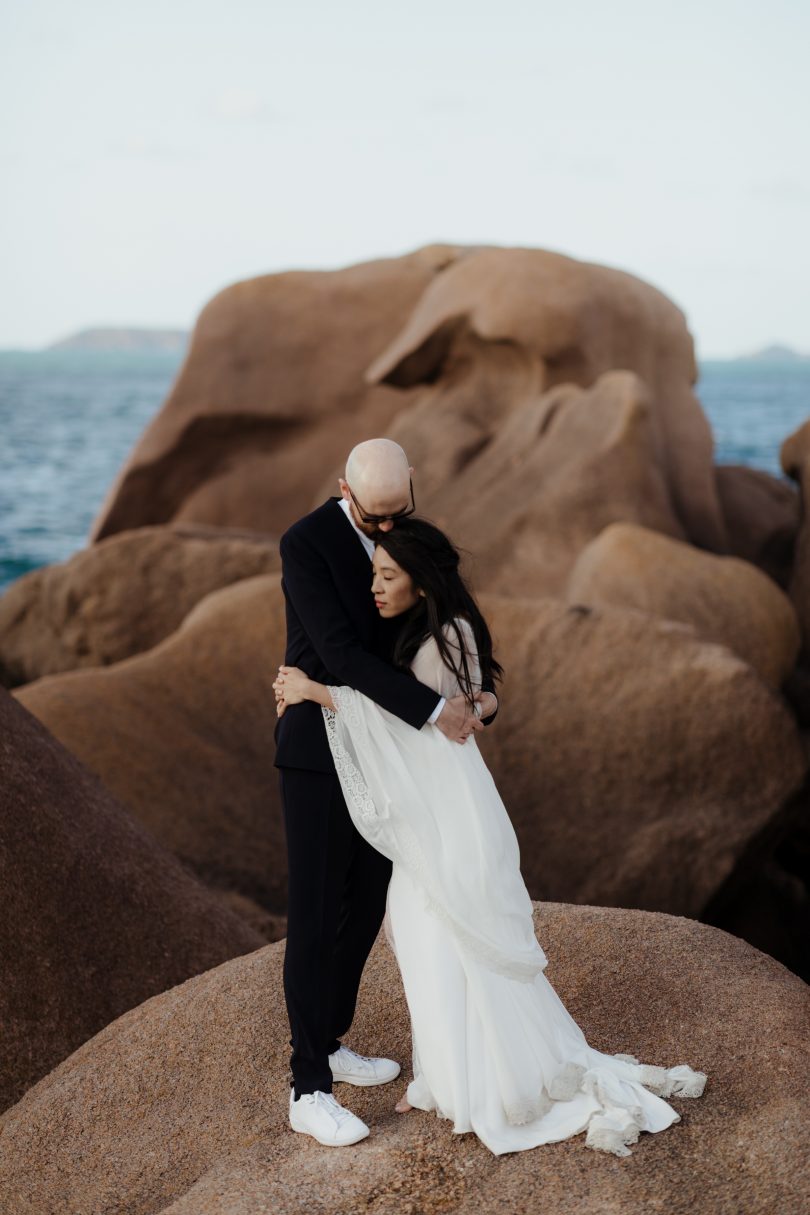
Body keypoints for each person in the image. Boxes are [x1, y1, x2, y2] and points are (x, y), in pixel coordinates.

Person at [274, 517, 708, 1158]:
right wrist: (480, 702)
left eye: (388, 575)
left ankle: (474, 1085)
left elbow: (409, 727)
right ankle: (441, 1077)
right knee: (433, 937)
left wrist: (314, 690)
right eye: (374, 569)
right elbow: (460, 696)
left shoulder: (438, 634)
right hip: (448, 804)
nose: (375, 585)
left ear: (420, 582)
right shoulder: (438, 623)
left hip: (445, 809)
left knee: (437, 934)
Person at [274, 440, 499, 1149]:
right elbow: (340, 653)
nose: (385, 531)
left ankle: (331, 1035)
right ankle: (308, 1086)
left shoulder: (405, 533)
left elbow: (454, 613)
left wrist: (482, 693)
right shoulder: (305, 543)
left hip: (390, 753)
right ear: (345, 489)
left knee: (369, 899)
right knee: (312, 913)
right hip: (319, 745)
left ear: (412, 489)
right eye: (374, 519)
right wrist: (437, 712)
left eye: (398, 514)